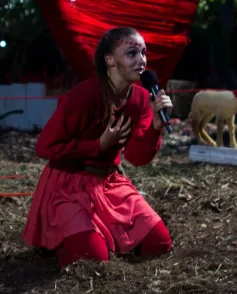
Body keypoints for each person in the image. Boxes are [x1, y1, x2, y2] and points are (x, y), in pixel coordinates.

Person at [22, 27, 174, 269]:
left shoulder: (141, 100)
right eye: (132, 53)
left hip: (110, 184)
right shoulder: (85, 95)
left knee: (159, 243)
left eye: (144, 53)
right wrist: (99, 145)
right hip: (69, 185)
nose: (142, 60)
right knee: (92, 259)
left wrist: (155, 126)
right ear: (110, 60)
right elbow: (45, 147)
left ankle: (98, 235)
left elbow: (136, 157)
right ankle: (59, 241)